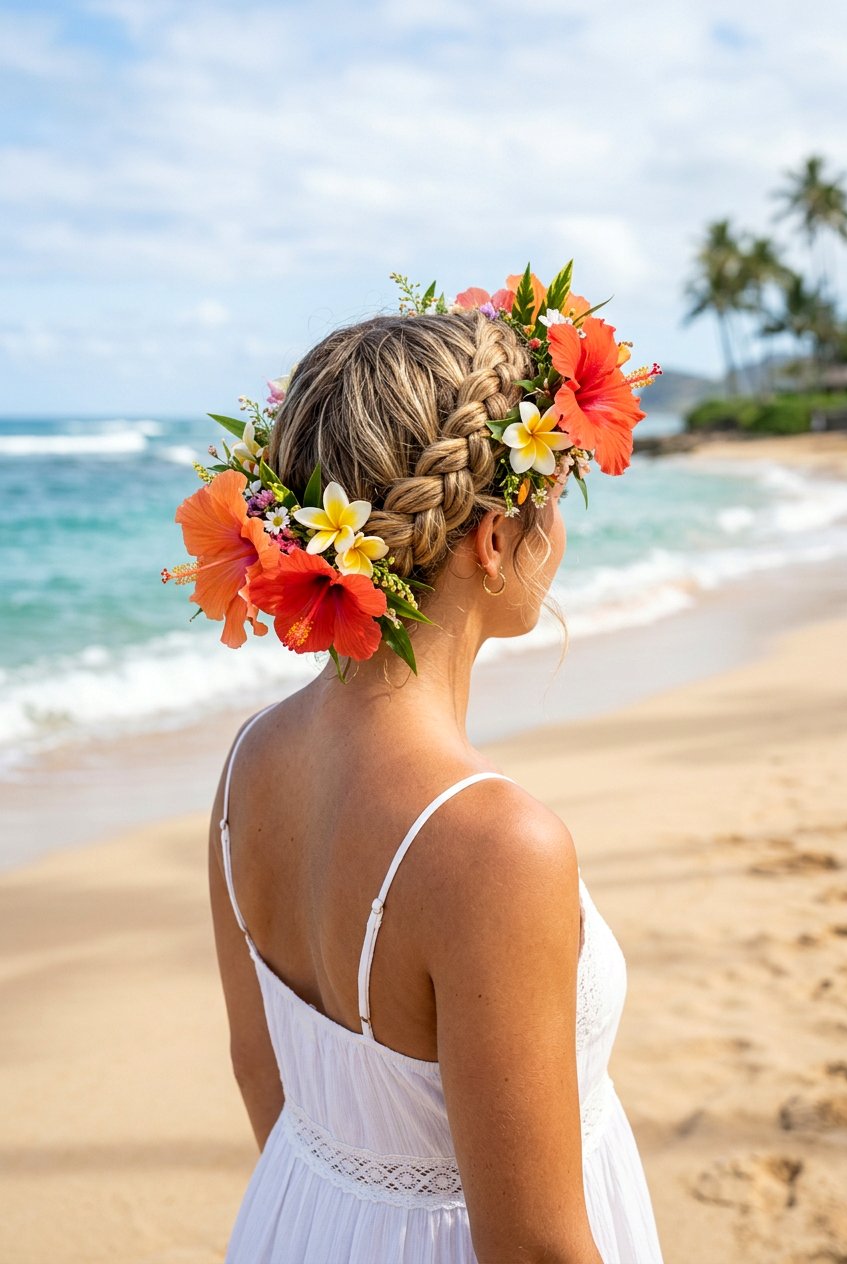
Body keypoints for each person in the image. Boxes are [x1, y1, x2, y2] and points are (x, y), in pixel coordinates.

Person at [199, 301, 665, 1261]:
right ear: (493, 539)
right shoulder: (494, 846)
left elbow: (264, 1076)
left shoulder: (247, 767)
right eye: (553, 502)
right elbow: (533, 1248)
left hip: (298, 1222)